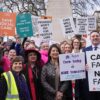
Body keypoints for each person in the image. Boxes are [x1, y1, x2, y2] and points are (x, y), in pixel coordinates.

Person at [80, 30, 100, 100]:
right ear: (90, 38)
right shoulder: (84, 50)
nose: (95, 37)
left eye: (97, 36)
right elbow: (80, 66)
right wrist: (84, 67)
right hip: (89, 83)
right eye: (93, 36)